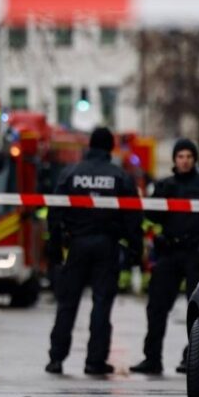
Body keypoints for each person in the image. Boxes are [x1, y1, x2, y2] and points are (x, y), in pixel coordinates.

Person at [46, 127, 142, 375]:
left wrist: (55, 248)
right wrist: (135, 249)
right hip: (106, 246)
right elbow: (133, 216)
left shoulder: (71, 174)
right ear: (110, 148)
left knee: (67, 303)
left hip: (76, 244)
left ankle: (56, 358)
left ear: (90, 146)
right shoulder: (119, 176)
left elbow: (55, 212)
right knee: (101, 304)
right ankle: (94, 361)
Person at [131, 139, 199, 375]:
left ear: (195, 159)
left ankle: (193, 357)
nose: (185, 160)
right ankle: (152, 358)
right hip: (170, 251)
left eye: (189, 156)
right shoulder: (165, 185)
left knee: (197, 308)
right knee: (156, 306)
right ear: (175, 159)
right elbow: (152, 216)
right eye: (181, 156)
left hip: (195, 253)